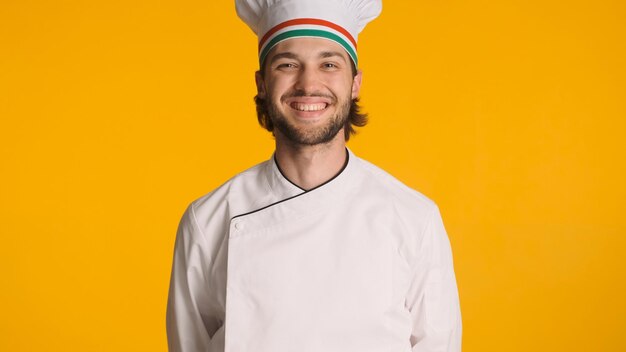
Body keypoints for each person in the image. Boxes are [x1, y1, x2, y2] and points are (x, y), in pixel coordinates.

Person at [166, 0, 462, 351]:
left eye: (329, 64)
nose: (309, 84)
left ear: (355, 83)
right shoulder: (207, 222)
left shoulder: (414, 219)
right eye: (288, 64)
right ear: (262, 83)